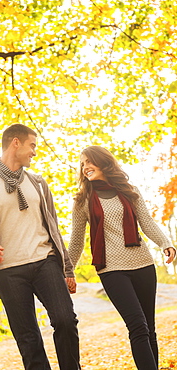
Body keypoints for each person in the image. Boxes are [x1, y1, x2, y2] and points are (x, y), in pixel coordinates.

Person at [0, 124, 80, 370]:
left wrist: (67, 269)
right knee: (27, 338)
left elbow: (55, 230)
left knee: (65, 320)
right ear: (15, 143)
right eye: (32, 146)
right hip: (8, 270)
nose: (34, 152)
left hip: (45, 261)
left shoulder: (38, 183)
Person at [68, 145, 176, 370]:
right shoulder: (82, 201)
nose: (85, 167)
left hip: (143, 264)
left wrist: (166, 243)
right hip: (111, 270)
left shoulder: (129, 191)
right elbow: (76, 241)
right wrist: (67, 270)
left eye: (89, 161)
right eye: (82, 164)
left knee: (150, 328)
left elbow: (146, 223)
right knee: (137, 326)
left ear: (103, 162)